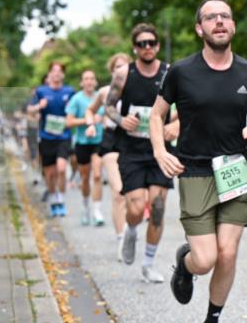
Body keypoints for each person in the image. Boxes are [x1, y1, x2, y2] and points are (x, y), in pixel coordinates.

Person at [152, 0, 247, 323]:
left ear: (233, 26)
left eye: (225, 16)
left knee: (228, 254)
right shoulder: (182, 72)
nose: (219, 21)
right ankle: (185, 264)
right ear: (199, 28)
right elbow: (157, 115)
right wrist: (160, 151)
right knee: (205, 260)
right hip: (196, 171)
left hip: (234, 171)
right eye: (211, 17)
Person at [104, 23, 176, 283]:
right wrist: (121, 120)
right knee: (135, 207)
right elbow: (109, 106)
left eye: (152, 43)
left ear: (157, 46)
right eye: (142, 43)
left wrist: (174, 125)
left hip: (161, 152)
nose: (147, 47)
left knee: (157, 207)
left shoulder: (170, 73)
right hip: (132, 150)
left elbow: (186, 107)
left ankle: (148, 264)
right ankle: (131, 230)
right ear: (135, 47)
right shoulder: (124, 73)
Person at [88, 53, 133, 258]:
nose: (121, 70)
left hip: (133, 142)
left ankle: (130, 229)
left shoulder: (139, 90)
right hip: (111, 141)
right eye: (117, 67)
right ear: (112, 71)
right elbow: (91, 110)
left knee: (135, 197)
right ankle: (121, 239)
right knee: (118, 192)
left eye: (125, 66)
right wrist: (90, 124)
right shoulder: (105, 91)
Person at [27, 63, 75, 217]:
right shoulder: (41, 91)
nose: (56, 74)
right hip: (46, 137)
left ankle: (60, 198)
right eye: (53, 71)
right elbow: (29, 110)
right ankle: (54, 198)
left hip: (64, 136)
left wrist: (71, 110)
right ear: (49, 74)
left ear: (63, 75)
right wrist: (38, 107)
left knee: (61, 169)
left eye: (59, 71)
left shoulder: (69, 91)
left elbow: (75, 110)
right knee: (49, 173)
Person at [66, 70, 105, 226]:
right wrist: (87, 121)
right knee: (85, 179)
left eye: (91, 79)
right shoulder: (76, 99)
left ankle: (97, 211)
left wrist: (101, 118)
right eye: (86, 79)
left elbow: (109, 115)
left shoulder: (100, 97)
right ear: (82, 83)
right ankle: (86, 208)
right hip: (82, 142)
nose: (89, 81)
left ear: (95, 82)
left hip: (98, 141)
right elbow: (68, 122)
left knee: (97, 176)